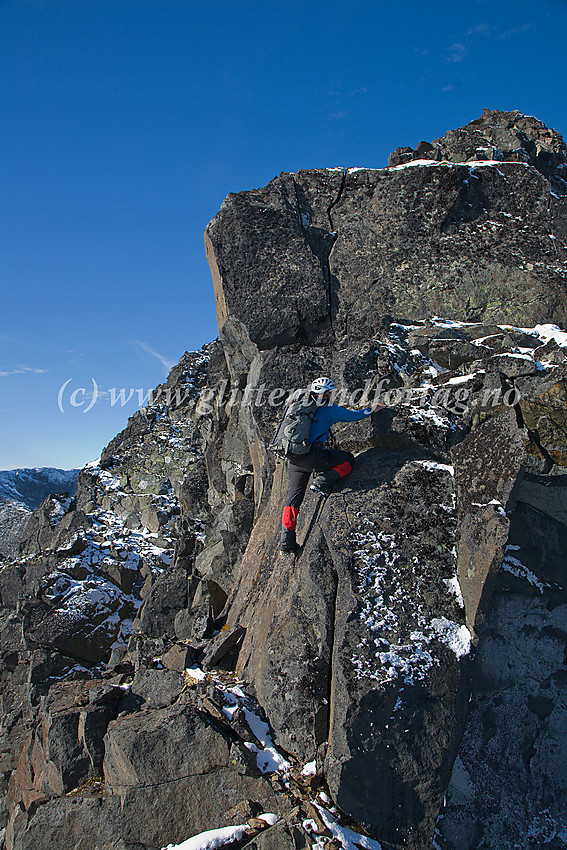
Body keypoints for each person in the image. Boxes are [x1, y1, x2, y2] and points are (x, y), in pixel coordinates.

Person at [280, 377, 385, 553]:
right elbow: (354, 416)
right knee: (348, 459)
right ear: (326, 393)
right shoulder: (328, 409)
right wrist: (373, 409)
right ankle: (324, 480)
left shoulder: (297, 404)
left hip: (295, 459)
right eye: (332, 392)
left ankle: (285, 542)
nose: (334, 396)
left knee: (293, 501)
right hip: (314, 458)